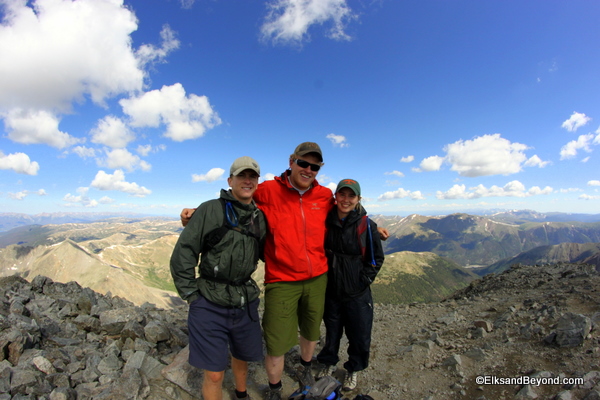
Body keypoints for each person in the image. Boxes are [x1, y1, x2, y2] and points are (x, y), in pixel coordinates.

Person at [180, 143, 389, 400]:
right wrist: (196, 212)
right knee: (277, 340)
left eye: (314, 166)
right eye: (304, 163)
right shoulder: (267, 190)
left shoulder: (324, 195)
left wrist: (373, 229)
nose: (308, 169)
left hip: (318, 277)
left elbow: (347, 209)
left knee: (311, 332)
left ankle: (304, 368)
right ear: (292, 161)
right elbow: (235, 200)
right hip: (282, 279)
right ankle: (275, 388)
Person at [170, 156, 267, 400]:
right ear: (230, 180)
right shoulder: (210, 209)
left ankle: (241, 394)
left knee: (242, 358)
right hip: (209, 302)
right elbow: (184, 251)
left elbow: (269, 251)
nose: (247, 181)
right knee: (214, 374)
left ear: (257, 181)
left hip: (244, 300)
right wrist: (191, 295)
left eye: (252, 176)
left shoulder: (259, 217)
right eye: (241, 176)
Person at [316, 179, 384, 392]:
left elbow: (376, 259)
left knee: (359, 332)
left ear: (358, 199)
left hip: (357, 291)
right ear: (336, 197)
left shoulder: (366, 225)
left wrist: (362, 281)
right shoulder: (326, 220)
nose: (346, 200)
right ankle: (328, 361)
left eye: (351, 196)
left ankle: (353, 368)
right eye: (342, 195)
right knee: (332, 330)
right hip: (332, 288)